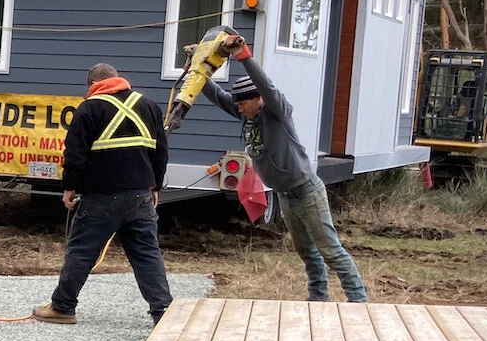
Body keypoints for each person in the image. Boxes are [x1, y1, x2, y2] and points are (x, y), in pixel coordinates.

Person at [203, 35, 368, 304]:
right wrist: (196, 70)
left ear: (257, 99)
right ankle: (317, 299)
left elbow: (267, 86)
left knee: (330, 250)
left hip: (307, 192)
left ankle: (358, 302)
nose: (240, 108)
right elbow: (219, 98)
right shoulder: (248, 116)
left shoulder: (277, 112)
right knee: (307, 252)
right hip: (286, 196)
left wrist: (244, 56)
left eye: (243, 103)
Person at [33, 63, 173, 325]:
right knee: (146, 254)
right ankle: (163, 312)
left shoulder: (90, 107)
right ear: (118, 80)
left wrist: (69, 187)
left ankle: (62, 307)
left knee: (82, 251)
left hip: (101, 196)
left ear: (92, 85)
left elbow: (75, 154)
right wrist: (154, 187)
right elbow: (161, 152)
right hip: (141, 195)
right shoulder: (149, 106)